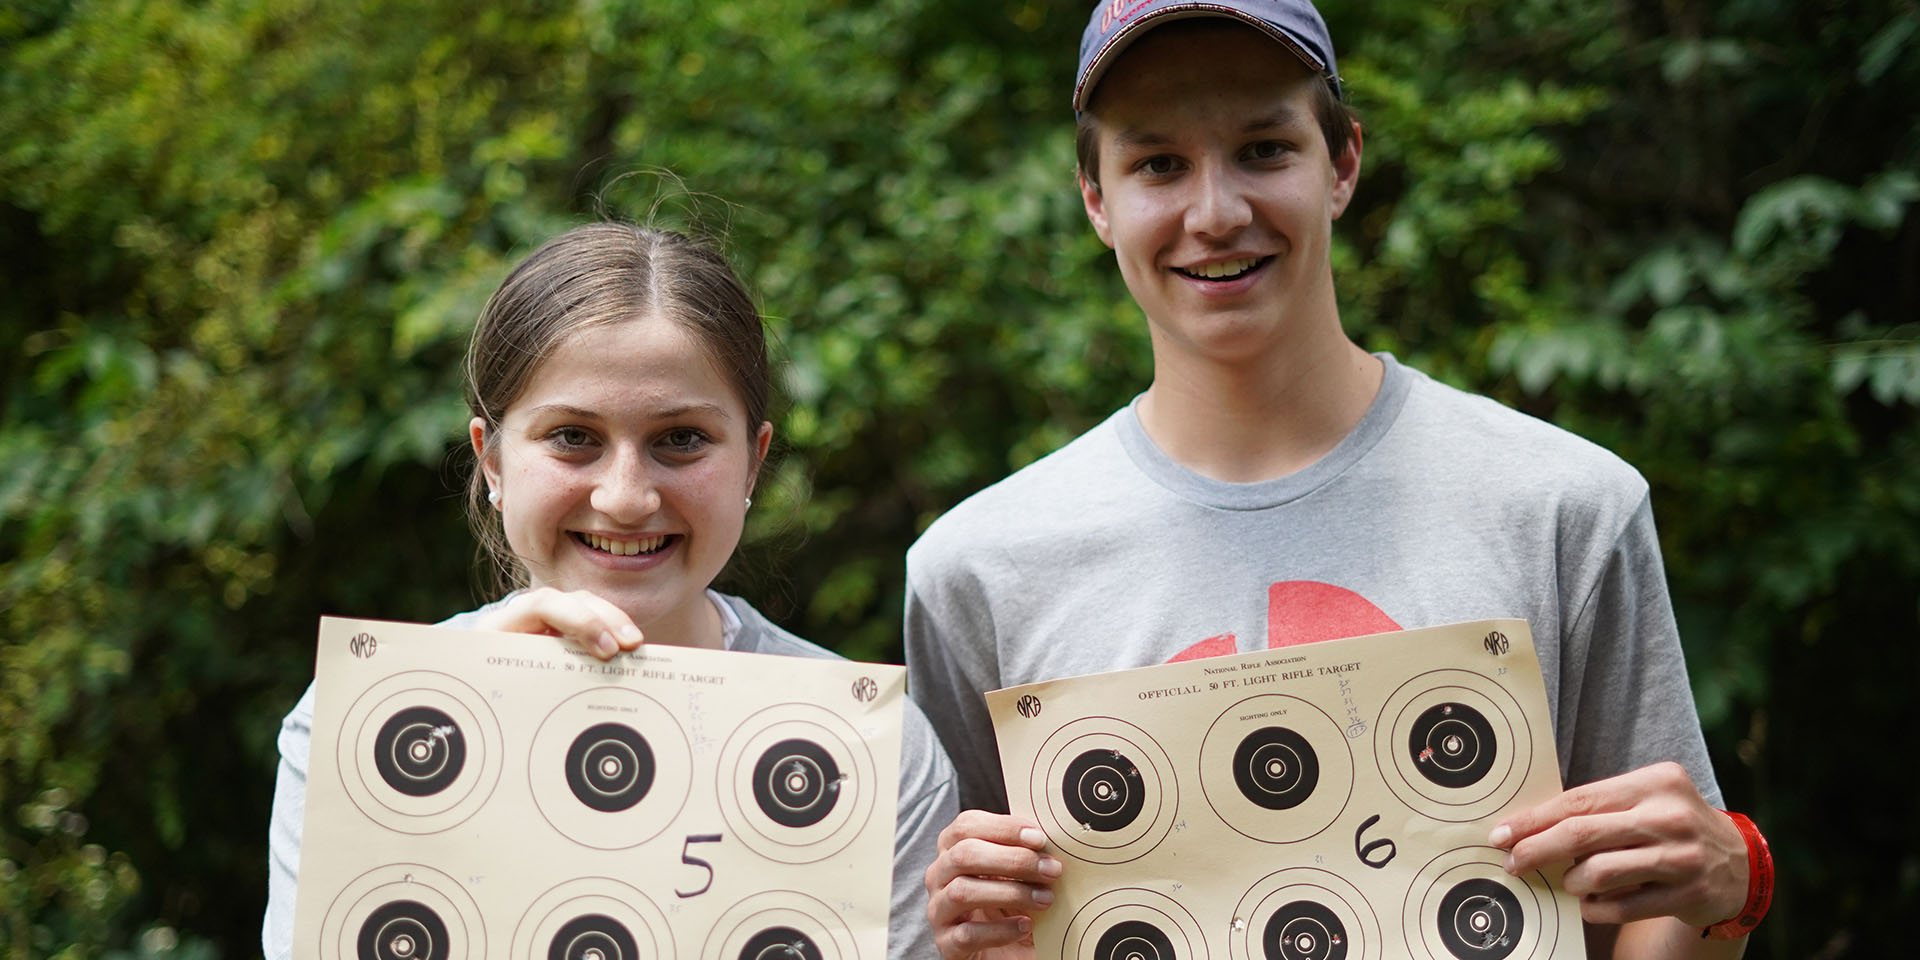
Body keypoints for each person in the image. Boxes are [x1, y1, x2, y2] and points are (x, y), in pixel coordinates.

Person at [904, 3, 1769, 958]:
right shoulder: (976, 569)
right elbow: (981, 930)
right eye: (1157, 164)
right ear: (1095, 199)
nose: (1216, 212)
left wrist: (1729, 887)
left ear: (1343, 164)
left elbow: (1660, 906)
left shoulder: (1564, 504)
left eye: (1265, 148)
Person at [263, 221, 958, 960]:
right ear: (492, 462)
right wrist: (450, 712)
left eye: (681, 438)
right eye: (572, 436)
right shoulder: (357, 723)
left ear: (753, 465)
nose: (625, 498)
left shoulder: (874, 749)